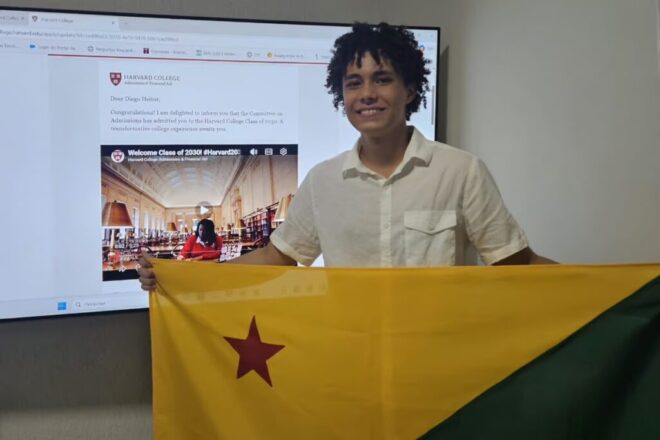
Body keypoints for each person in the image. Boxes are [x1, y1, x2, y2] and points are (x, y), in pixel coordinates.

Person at [139, 22, 554, 290]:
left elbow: (515, 262)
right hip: (351, 360)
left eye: (382, 79)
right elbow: (276, 256)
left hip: (437, 362)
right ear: (342, 96)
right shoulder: (323, 181)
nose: (367, 94)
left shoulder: (461, 172)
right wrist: (183, 276)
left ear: (410, 89)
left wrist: (596, 289)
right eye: (354, 83)